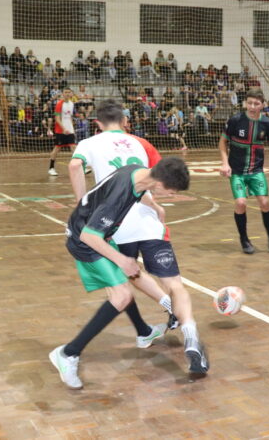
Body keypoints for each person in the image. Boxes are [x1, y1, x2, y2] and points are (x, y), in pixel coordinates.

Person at [67, 99, 208, 376]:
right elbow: (157, 176)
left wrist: (82, 202)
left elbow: (74, 167)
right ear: (125, 122)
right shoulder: (141, 143)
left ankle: (151, 323)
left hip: (114, 223)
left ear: (97, 123)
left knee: (124, 279)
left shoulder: (89, 143)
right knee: (174, 284)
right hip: (145, 218)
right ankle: (188, 332)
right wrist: (156, 205)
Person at [50, 156, 191, 389]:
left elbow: (136, 195)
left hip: (99, 233)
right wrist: (122, 260)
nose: (171, 195)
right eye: (172, 191)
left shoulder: (139, 175)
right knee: (122, 295)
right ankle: (68, 353)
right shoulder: (120, 194)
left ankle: (144, 332)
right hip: (85, 240)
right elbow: (89, 236)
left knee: (125, 285)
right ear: (161, 184)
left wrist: (154, 206)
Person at [219, 88, 269, 256]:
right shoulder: (235, 120)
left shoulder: (267, 123)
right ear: (244, 103)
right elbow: (223, 142)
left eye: (256, 103)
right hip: (237, 172)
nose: (252, 106)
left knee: (264, 203)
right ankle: (244, 240)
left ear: (262, 105)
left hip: (256, 171)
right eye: (249, 103)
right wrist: (225, 164)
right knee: (240, 203)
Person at [48, 87, 76, 176]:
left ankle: (81, 167)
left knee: (74, 148)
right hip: (60, 130)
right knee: (57, 148)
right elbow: (57, 118)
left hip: (69, 129)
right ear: (62, 94)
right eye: (65, 92)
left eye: (69, 92)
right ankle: (51, 168)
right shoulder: (59, 104)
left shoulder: (72, 104)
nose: (67, 94)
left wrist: (72, 128)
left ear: (71, 93)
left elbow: (70, 117)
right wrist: (64, 129)